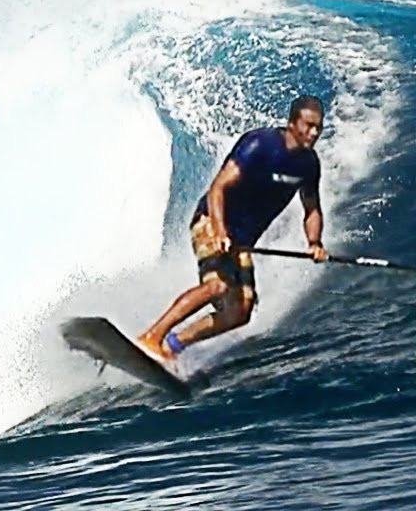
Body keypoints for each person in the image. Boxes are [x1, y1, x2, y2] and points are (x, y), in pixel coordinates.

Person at [136, 95, 329, 362]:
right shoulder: (260, 144)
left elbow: (312, 208)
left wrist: (315, 243)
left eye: (318, 127)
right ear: (292, 122)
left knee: (241, 310)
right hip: (211, 220)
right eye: (308, 125)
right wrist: (220, 231)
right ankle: (151, 337)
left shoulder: (309, 165)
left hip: (242, 241)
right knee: (217, 286)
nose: (314, 132)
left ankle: (173, 345)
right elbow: (218, 187)